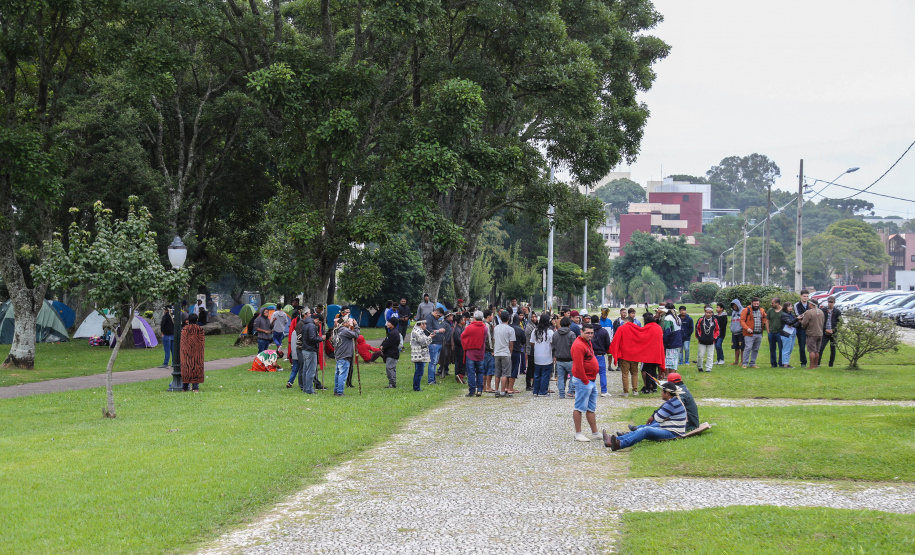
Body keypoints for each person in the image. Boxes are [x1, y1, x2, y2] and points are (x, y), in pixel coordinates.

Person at [604, 380, 686, 451]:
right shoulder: (674, 400)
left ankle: (619, 444)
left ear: (667, 393)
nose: (661, 393)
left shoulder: (670, 404)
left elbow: (657, 418)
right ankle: (613, 440)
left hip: (673, 433)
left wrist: (662, 417)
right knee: (645, 428)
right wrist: (664, 418)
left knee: (646, 430)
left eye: (662, 391)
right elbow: (660, 418)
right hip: (671, 428)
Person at [609, 315, 664, 397]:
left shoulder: (621, 328)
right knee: (634, 373)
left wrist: (614, 350)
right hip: (635, 355)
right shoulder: (637, 328)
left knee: (625, 374)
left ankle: (626, 392)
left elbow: (616, 340)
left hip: (624, 355)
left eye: (624, 322)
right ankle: (635, 391)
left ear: (626, 321)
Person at [571, 324, 601, 442]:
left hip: (590, 380)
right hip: (583, 381)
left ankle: (595, 432)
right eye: (587, 333)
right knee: (579, 407)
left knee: (591, 408)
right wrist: (585, 381)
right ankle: (578, 434)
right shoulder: (578, 345)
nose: (590, 335)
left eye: (591, 333)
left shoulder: (588, 342)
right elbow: (578, 366)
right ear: (581, 332)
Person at [461, 311, 488, 396]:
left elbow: (463, 337)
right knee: (480, 372)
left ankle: (472, 390)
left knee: (471, 372)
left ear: (474, 318)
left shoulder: (469, 327)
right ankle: (479, 389)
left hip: (471, 352)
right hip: (480, 352)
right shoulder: (485, 328)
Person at [332, 317, 360, 396]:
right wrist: (356, 326)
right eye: (347, 321)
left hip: (339, 354)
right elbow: (356, 335)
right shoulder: (345, 330)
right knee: (343, 374)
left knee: (338, 373)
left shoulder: (337, 330)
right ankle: (340, 392)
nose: (349, 323)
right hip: (344, 355)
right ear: (344, 323)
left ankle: (336, 390)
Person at [295, 307, 320, 393]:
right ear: (304, 314)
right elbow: (301, 337)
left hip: (305, 347)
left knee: (306, 368)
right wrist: (319, 338)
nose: (310, 315)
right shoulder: (301, 324)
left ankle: (306, 387)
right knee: (305, 369)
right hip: (303, 348)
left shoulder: (307, 324)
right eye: (309, 313)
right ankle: (304, 386)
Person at [492, 310, 516, 397]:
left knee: (497, 373)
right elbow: (511, 343)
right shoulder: (510, 329)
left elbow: (494, 339)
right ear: (509, 318)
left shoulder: (496, 328)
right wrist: (510, 353)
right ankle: (502, 391)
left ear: (500, 318)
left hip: (497, 352)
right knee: (505, 374)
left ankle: (496, 390)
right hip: (506, 353)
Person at [552, 317, 576, 399]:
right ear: (569, 324)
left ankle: (561, 393)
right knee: (573, 376)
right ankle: (570, 391)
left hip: (559, 359)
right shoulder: (571, 334)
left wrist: (554, 356)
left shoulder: (555, 334)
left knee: (560, 377)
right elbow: (574, 347)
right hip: (570, 359)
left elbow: (553, 346)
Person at [740, 297, 768, 368]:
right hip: (749, 334)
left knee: (756, 349)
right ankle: (745, 363)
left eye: (757, 304)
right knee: (748, 348)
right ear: (751, 303)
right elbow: (742, 321)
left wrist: (763, 322)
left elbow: (766, 317)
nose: (756, 305)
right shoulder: (746, 310)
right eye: (755, 304)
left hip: (759, 333)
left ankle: (753, 363)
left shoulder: (761, 310)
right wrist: (747, 328)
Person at [180, 313, 206, 392]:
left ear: (188, 320)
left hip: (186, 353)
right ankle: (195, 387)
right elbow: (201, 342)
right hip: (197, 353)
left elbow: (183, 342)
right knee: (196, 368)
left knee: (186, 368)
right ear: (197, 320)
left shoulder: (185, 329)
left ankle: (184, 387)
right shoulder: (199, 329)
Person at [532, 312, 554, 397]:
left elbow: (532, 342)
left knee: (537, 374)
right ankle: (543, 391)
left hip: (537, 356)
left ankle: (535, 391)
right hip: (547, 356)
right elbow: (552, 343)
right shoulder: (550, 332)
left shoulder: (535, 331)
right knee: (545, 374)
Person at [590, 315, 612, 397]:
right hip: (600, 354)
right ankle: (604, 391)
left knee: (591, 373)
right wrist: (604, 350)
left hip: (590, 355)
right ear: (599, 321)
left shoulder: (588, 331)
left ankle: (590, 390)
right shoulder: (603, 331)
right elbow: (607, 343)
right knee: (602, 373)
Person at [799, 300, 825, 369]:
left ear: (811, 304)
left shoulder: (809, 312)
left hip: (812, 333)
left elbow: (804, 323)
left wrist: (801, 321)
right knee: (817, 351)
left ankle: (811, 366)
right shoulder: (821, 312)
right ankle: (816, 365)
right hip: (820, 333)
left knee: (812, 351)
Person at [410, 318, 434, 392]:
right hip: (419, 355)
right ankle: (416, 388)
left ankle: (416, 387)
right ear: (421, 324)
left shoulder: (419, 331)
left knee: (418, 371)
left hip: (420, 354)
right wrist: (430, 337)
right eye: (425, 324)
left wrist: (428, 337)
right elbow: (423, 342)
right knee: (419, 372)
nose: (425, 325)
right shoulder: (417, 331)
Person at [794, 290, 815, 368]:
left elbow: (813, 315)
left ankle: (813, 362)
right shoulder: (797, 305)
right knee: (802, 345)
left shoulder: (810, 304)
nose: (806, 298)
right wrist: (806, 313)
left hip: (810, 327)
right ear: (801, 296)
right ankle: (803, 362)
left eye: (807, 296)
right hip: (801, 328)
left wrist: (805, 315)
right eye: (804, 296)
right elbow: (798, 315)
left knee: (812, 345)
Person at [694, 306, 719, 372]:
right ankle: (699, 366)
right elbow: (697, 329)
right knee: (700, 355)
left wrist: (714, 338)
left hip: (711, 341)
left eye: (709, 313)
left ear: (712, 313)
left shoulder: (714, 320)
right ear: (705, 312)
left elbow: (717, 330)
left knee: (710, 356)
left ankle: (708, 368)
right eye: (707, 312)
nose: (708, 314)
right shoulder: (701, 320)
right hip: (702, 341)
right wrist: (699, 337)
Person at [661, 302, 683, 376]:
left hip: (671, 343)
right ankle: (674, 377)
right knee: (674, 362)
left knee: (669, 363)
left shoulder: (668, 318)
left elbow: (667, 331)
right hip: (678, 342)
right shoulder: (677, 317)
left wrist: (664, 341)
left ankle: (670, 378)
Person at [819, 296, 841, 367]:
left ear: (834, 303)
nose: (830, 303)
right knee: (821, 347)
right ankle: (818, 363)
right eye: (829, 302)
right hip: (825, 332)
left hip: (833, 333)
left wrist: (833, 330)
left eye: (831, 302)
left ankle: (831, 364)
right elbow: (820, 321)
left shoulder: (837, 312)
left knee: (833, 348)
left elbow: (839, 322)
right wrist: (825, 329)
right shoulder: (823, 310)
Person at [380, 317, 401, 388]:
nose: (387, 324)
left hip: (392, 353)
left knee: (390, 368)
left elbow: (388, 343)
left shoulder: (394, 333)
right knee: (391, 368)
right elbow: (386, 340)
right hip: (390, 353)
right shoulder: (391, 332)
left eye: (389, 322)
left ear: (393, 324)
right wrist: (382, 345)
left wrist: (383, 347)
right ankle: (392, 383)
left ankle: (392, 383)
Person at [509, 314, 526, 395]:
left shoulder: (507, 328)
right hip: (516, 351)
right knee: (514, 369)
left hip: (507, 351)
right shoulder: (520, 330)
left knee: (507, 370)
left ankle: (506, 387)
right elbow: (524, 340)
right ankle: (511, 387)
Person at [780, 303, 799, 368]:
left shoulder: (791, 315)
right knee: (786, 349)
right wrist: (796, 319)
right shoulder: (784, 315)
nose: (791, 307)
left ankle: (787, 362)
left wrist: (794, 323)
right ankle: (785, 364)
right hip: (786, 334)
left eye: (791, 306)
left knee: (790, 349)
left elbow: (796, 324)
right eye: (789, 306)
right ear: (785, 307)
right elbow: (789, 322)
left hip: (792, 332)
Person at [766, 297, 784, 368]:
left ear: (777, 303)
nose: (771, 304)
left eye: (773, 303)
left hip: (780, 333)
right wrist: (768, 331)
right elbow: (767, 321)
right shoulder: (770, 311)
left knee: (781, 348)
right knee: (772, 349)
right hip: (772, 333)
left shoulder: (783, 310)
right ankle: (773, 364)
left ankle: (781, 363)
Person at [482, 310, 497, 392]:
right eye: (492, 316)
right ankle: (488, 386)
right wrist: (492, 349)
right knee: (489, 369)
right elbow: (489, 339)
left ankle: (483, 386)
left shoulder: (482, 324)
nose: (493, 317)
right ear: (488, 317)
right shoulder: (487, 325)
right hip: (488, 350)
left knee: (483, 369)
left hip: (483, 350)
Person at [524, 311, 538, 391]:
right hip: (530, 349)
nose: (534, 318)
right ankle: (528, 384)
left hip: (535, 349)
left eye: (535, 316)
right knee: (530, 367)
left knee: (534, 367)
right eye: (532, 317)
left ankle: (533, 384)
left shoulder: (535, 326)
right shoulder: (529, 327)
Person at [451, 313, 466, 384]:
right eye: (463, 319)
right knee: (460, 363)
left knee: (461, 363)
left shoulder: (460, 328)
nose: (464, 321)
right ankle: (459, 376)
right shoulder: (457, 330)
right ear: (460, 321)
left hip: (461, 348)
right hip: (460, 349)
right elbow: (459, 340)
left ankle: (460, 376)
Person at [729, 299, 744, 366]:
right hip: (734, 332)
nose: (734, 308)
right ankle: (736, 361)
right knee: (736, 347)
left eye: (735, 306)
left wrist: (741, 328)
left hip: (741, 332)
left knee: (742, 347)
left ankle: (742, 361)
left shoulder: (743, 311)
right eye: (733, 306)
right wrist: (732, 328)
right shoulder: (733, 312)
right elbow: (732, 321)